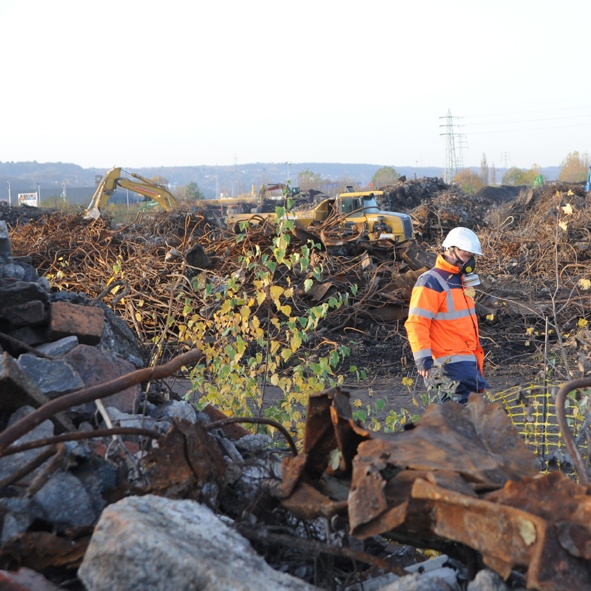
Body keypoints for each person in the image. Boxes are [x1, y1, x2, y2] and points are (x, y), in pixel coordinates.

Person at [404, 227, 489, 404]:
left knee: (469, 421)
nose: (470, 261)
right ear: (450, 251)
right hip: (446, 366)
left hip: (468, 364)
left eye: (471, 256)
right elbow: (417, 323)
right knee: (457, 422)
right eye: (466, 255)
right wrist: (423, 360)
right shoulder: (431, 281)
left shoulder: (461, 282)